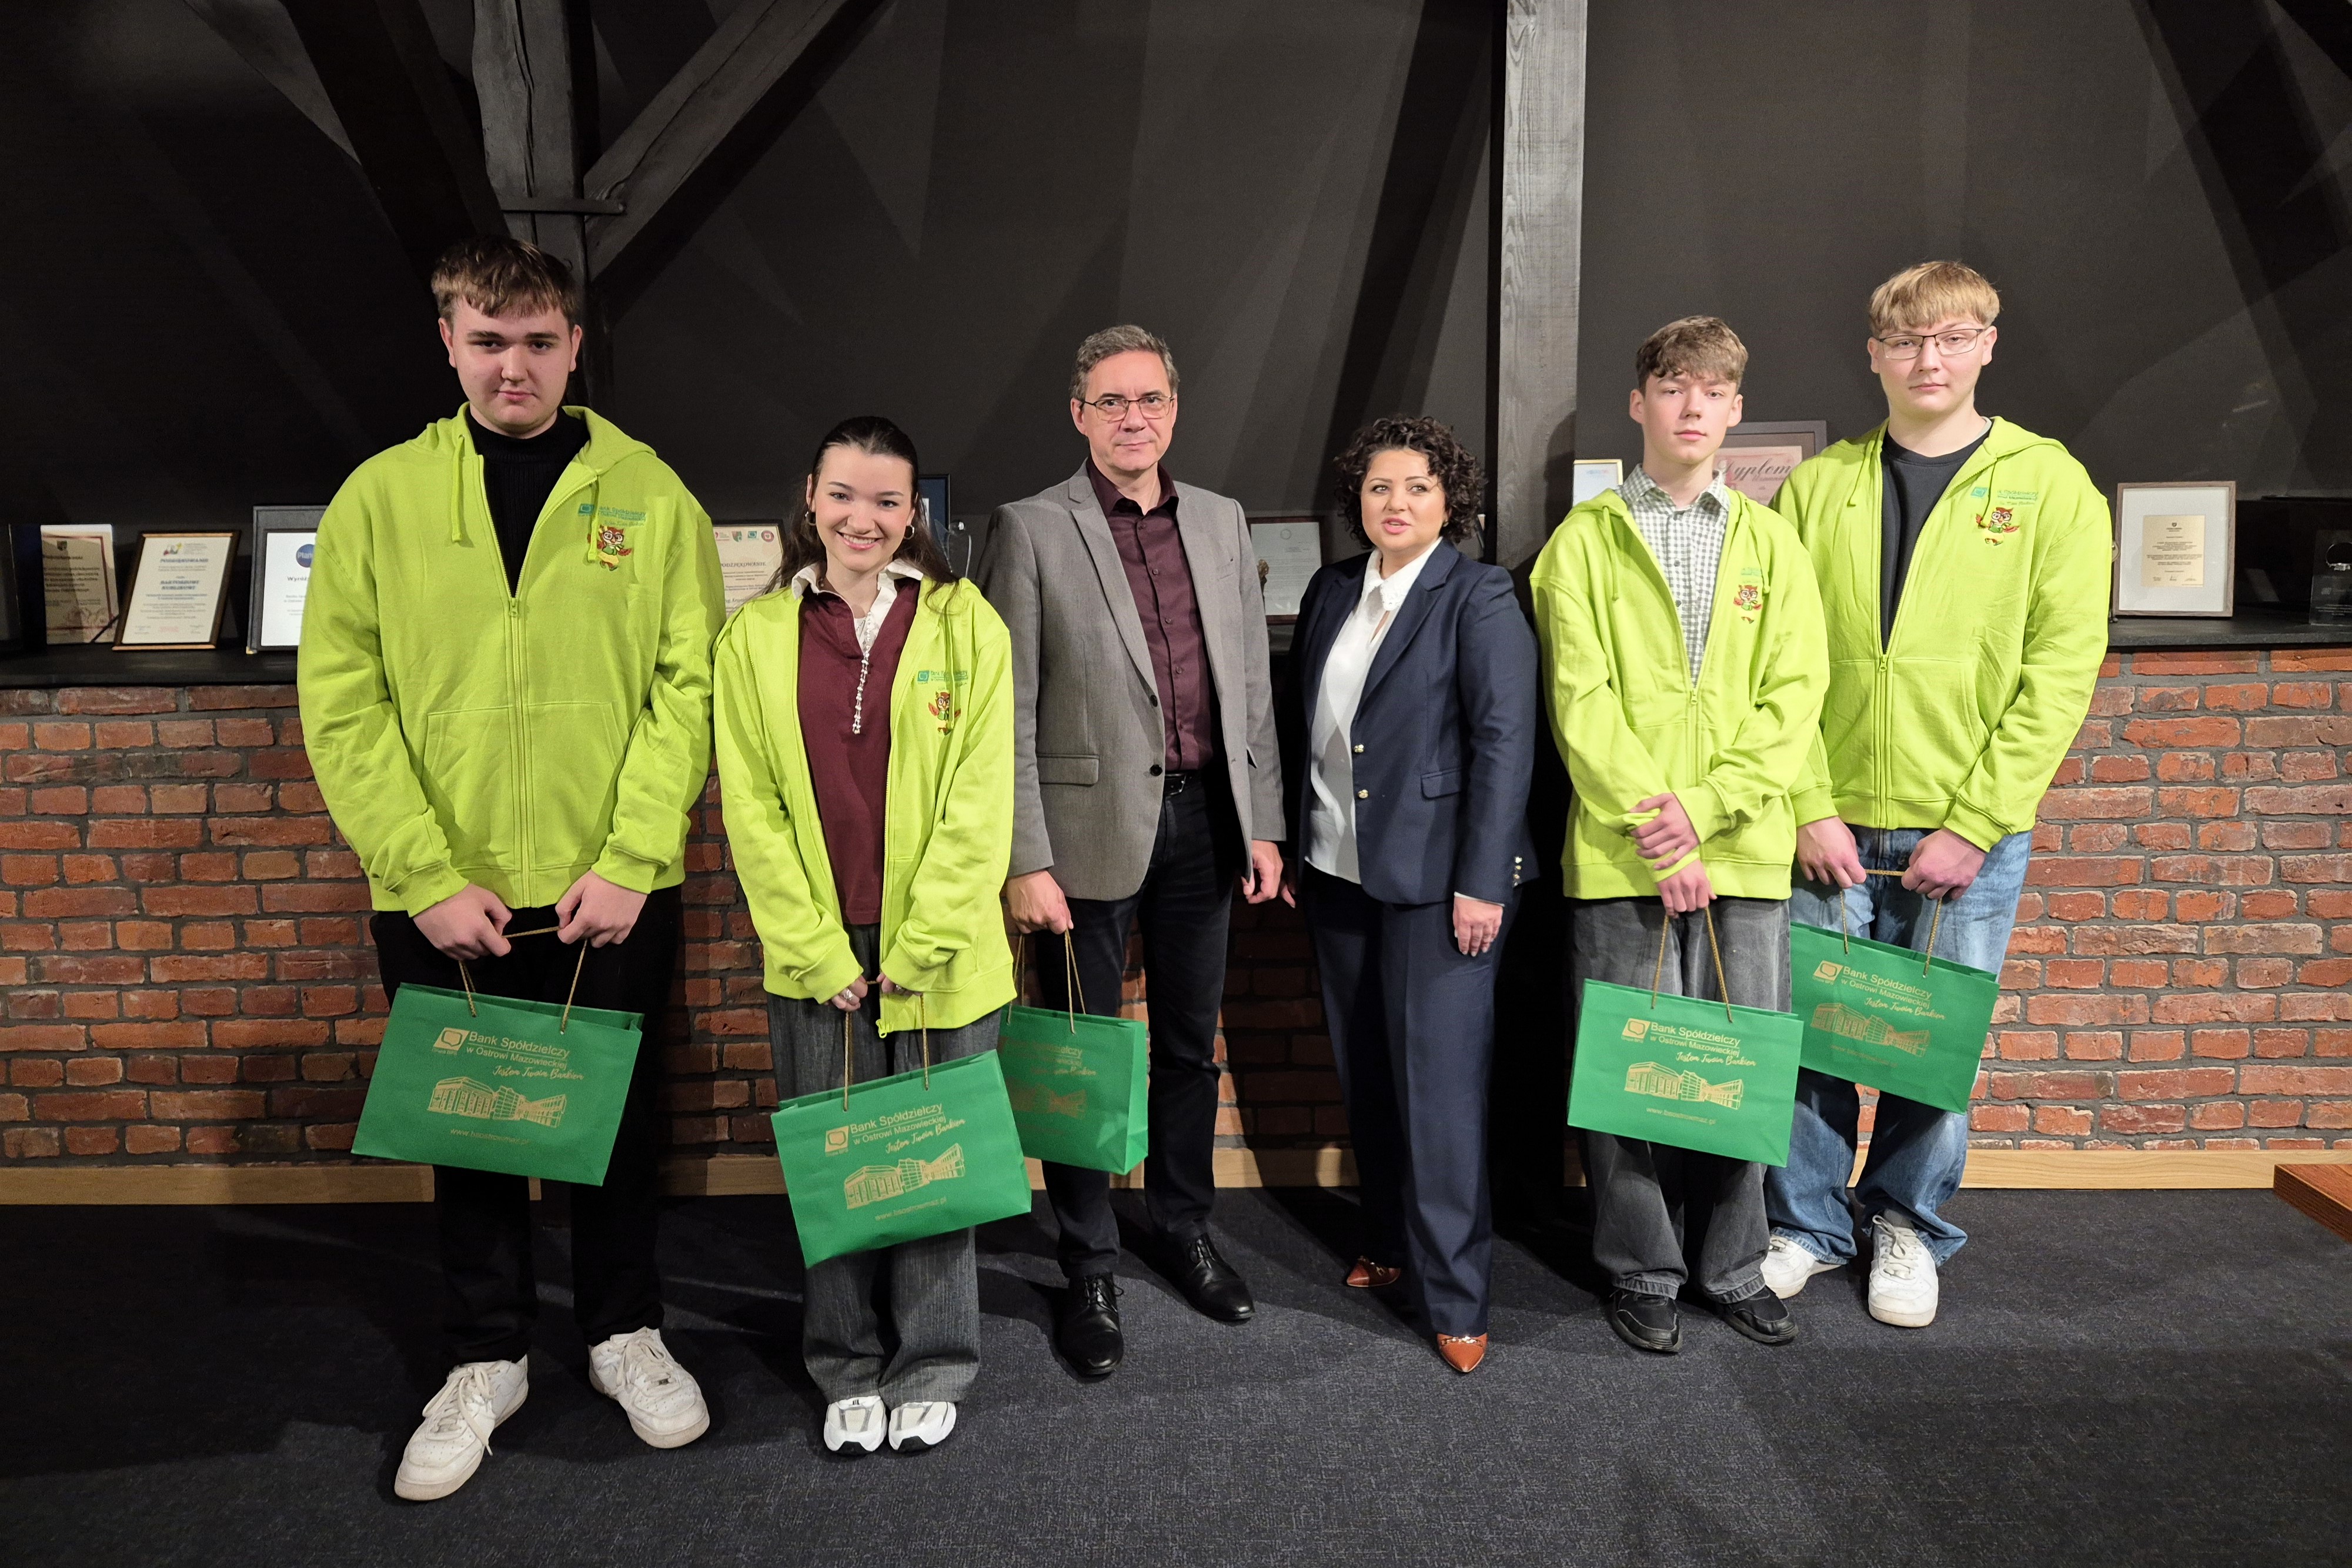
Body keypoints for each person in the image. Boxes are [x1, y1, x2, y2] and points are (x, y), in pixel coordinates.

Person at [299, 236, 724, 1500]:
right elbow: (344, 705)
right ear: (448, 343)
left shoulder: (651, 494)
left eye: (539, 341)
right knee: (470, 1129)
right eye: (488, 342)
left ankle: (623, 1329)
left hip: (612, 889)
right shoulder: (379, 498)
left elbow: (688, 686)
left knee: (621, 1126)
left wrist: (634, 858)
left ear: (574, 346)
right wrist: (422, 875)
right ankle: (486, 1353)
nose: (513, 367)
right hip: (443, 892)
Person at [1763, 261, 2109, 1327]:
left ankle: (1906, 1223)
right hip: (1826, 819)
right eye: (1907, 340)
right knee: (1809, 1031)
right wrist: (1807, 801)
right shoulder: (1819, 487)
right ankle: (1806, 1223)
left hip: (1964, 828)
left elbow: (2061, 671)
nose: (1929, 358)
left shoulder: (2049, 484)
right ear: (1874, 353)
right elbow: (1777, 660)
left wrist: (1976, 822)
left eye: (1952, 337)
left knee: (1933, 1039)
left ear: (1987, 346)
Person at [978, 325, 1285, 1378]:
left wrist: (1263, 821)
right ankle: (1088, 1263)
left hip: (1207, 825)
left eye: (1149, 399)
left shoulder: (1221, 519)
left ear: (1174, 410)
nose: (1132, 419)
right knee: (1079, 1057)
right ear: (1079, 415)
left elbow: (1250, 686)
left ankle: (1184, 1225)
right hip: (1080, 836)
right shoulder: (1029, 527)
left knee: (1190, 1047)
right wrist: (1024, 856)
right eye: (1110, 402)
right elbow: (1007, 709)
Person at [714, 415, 1014, 1456]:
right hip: (819, 949)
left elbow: (982, 800)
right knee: (837, 1161)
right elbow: (750, 808)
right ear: (811, 496)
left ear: (913, 511)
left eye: (888, 501)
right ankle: (843, 1362)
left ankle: (935, 1359)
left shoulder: (966, 625)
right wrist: (815, 948)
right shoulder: (756, 636)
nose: (864, 519)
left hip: (940, 945)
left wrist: (923, 943)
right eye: (843, 495)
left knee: (934, 1160)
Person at [1529, 316, 1827, 1356]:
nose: (1692, 405)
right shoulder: (1582, 544)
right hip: (1624, 855)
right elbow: (1582, 705)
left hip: (1745, 851)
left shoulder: (1774, 544)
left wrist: (1705, 813)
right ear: (1639, 403)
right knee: (1631, 1072)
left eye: (1712, 389)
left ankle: (1733, 1265)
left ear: (1736, 409)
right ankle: (1640, 1267)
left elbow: (1794, 700)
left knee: (1745, 1070)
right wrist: (1662, 831)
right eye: (1671, 385)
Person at [1277, 416, 1537, 1374]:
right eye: (1379, 486)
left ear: (1448, 500)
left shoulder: (1479, 594)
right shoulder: (1332, 588)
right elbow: (1307, 725)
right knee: (1370, 1076)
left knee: (1440, 1093)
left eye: (1418, 487)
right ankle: (1386, 1241)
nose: (1396, 503)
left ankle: (1458, 1296)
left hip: (1442, 888)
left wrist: (1483, 882)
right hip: (1338, 872)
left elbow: (1505, 746)